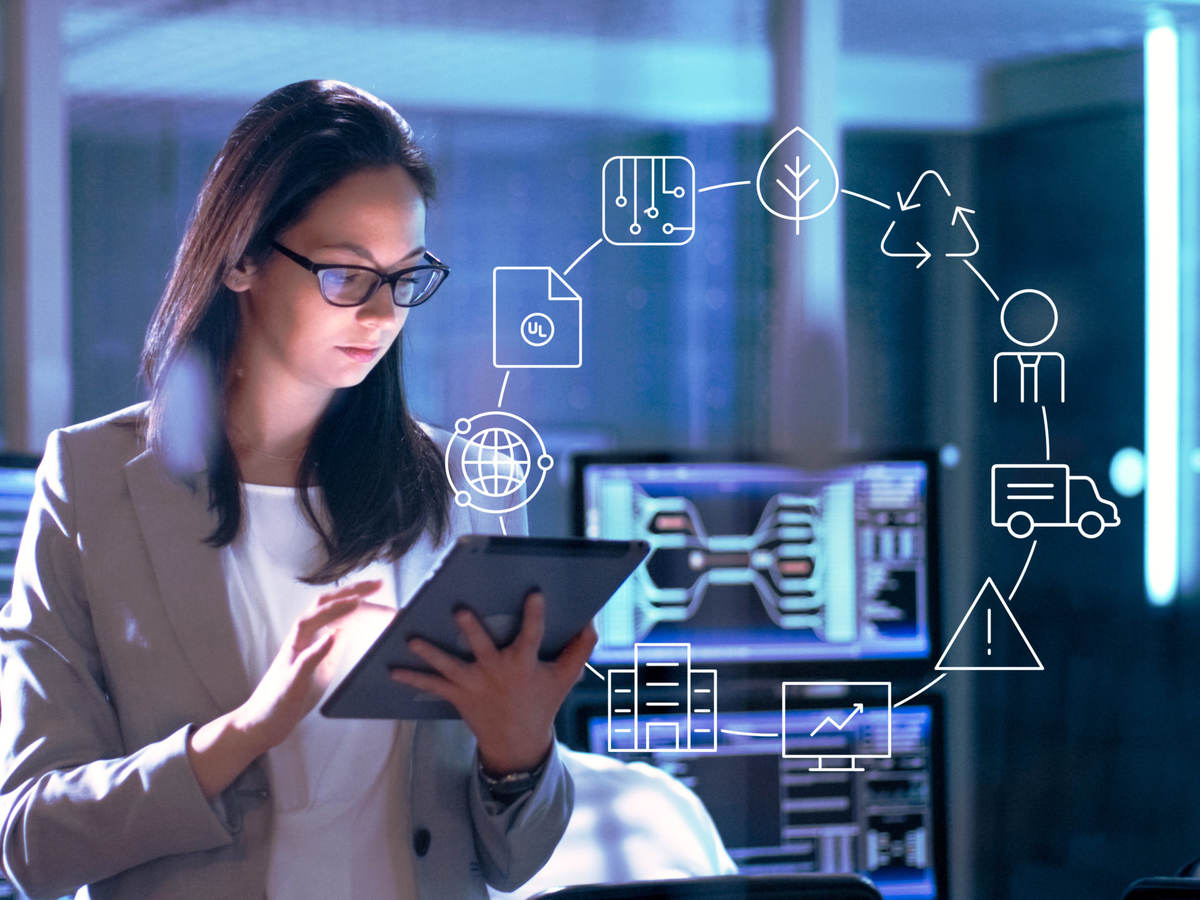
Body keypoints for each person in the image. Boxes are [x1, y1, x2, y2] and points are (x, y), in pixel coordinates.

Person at [0, 79, 594, 900]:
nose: (383, 314)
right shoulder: (94, 483)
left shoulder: (467, 488)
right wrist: (243, 734)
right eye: (348, 276)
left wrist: (519, 754)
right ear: (240, 257)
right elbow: (30, 843)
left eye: (407, 278)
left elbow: (514, 862)